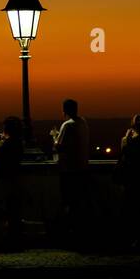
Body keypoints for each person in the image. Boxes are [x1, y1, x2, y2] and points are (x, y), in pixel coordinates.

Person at [52, 99, 91, 243]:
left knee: (69, 202)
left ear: (64, 110)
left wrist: (54, 137)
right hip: (83, 169)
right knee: (80, 203)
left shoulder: (67, 125)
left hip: (69, 170)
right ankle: (80, 233)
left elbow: (59, 146)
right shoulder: (83, 123)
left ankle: (69, 233)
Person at [118, 114, 140, 250]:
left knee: (130, 210)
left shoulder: (127, 140)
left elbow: (124, 154)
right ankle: (139, 238)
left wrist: (127, 139)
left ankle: (129, 238)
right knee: (139, 210)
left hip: (132, 179)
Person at [0, 116, 25, 250]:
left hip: (5, 180)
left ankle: (7, 240)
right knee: (15, 211)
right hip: (15, 179)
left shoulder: (5, 145)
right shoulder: (18, 143)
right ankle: (15, 239)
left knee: (5, 211)